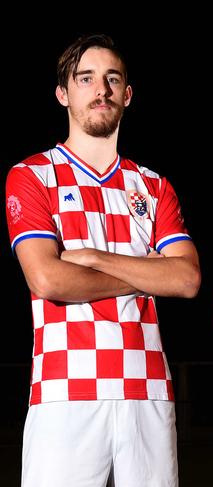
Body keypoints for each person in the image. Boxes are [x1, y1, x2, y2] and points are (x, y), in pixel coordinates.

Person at [5, 34, 200, 487]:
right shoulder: (32, 175)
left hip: (147, 387)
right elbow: (48, 278)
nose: (101, 90)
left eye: (113, 80)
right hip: (64, 390)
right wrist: (148, 274)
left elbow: (187, 279)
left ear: (128, 95)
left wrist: (94, 258)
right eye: (86, 79)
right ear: (63, 93)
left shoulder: (153, 186)